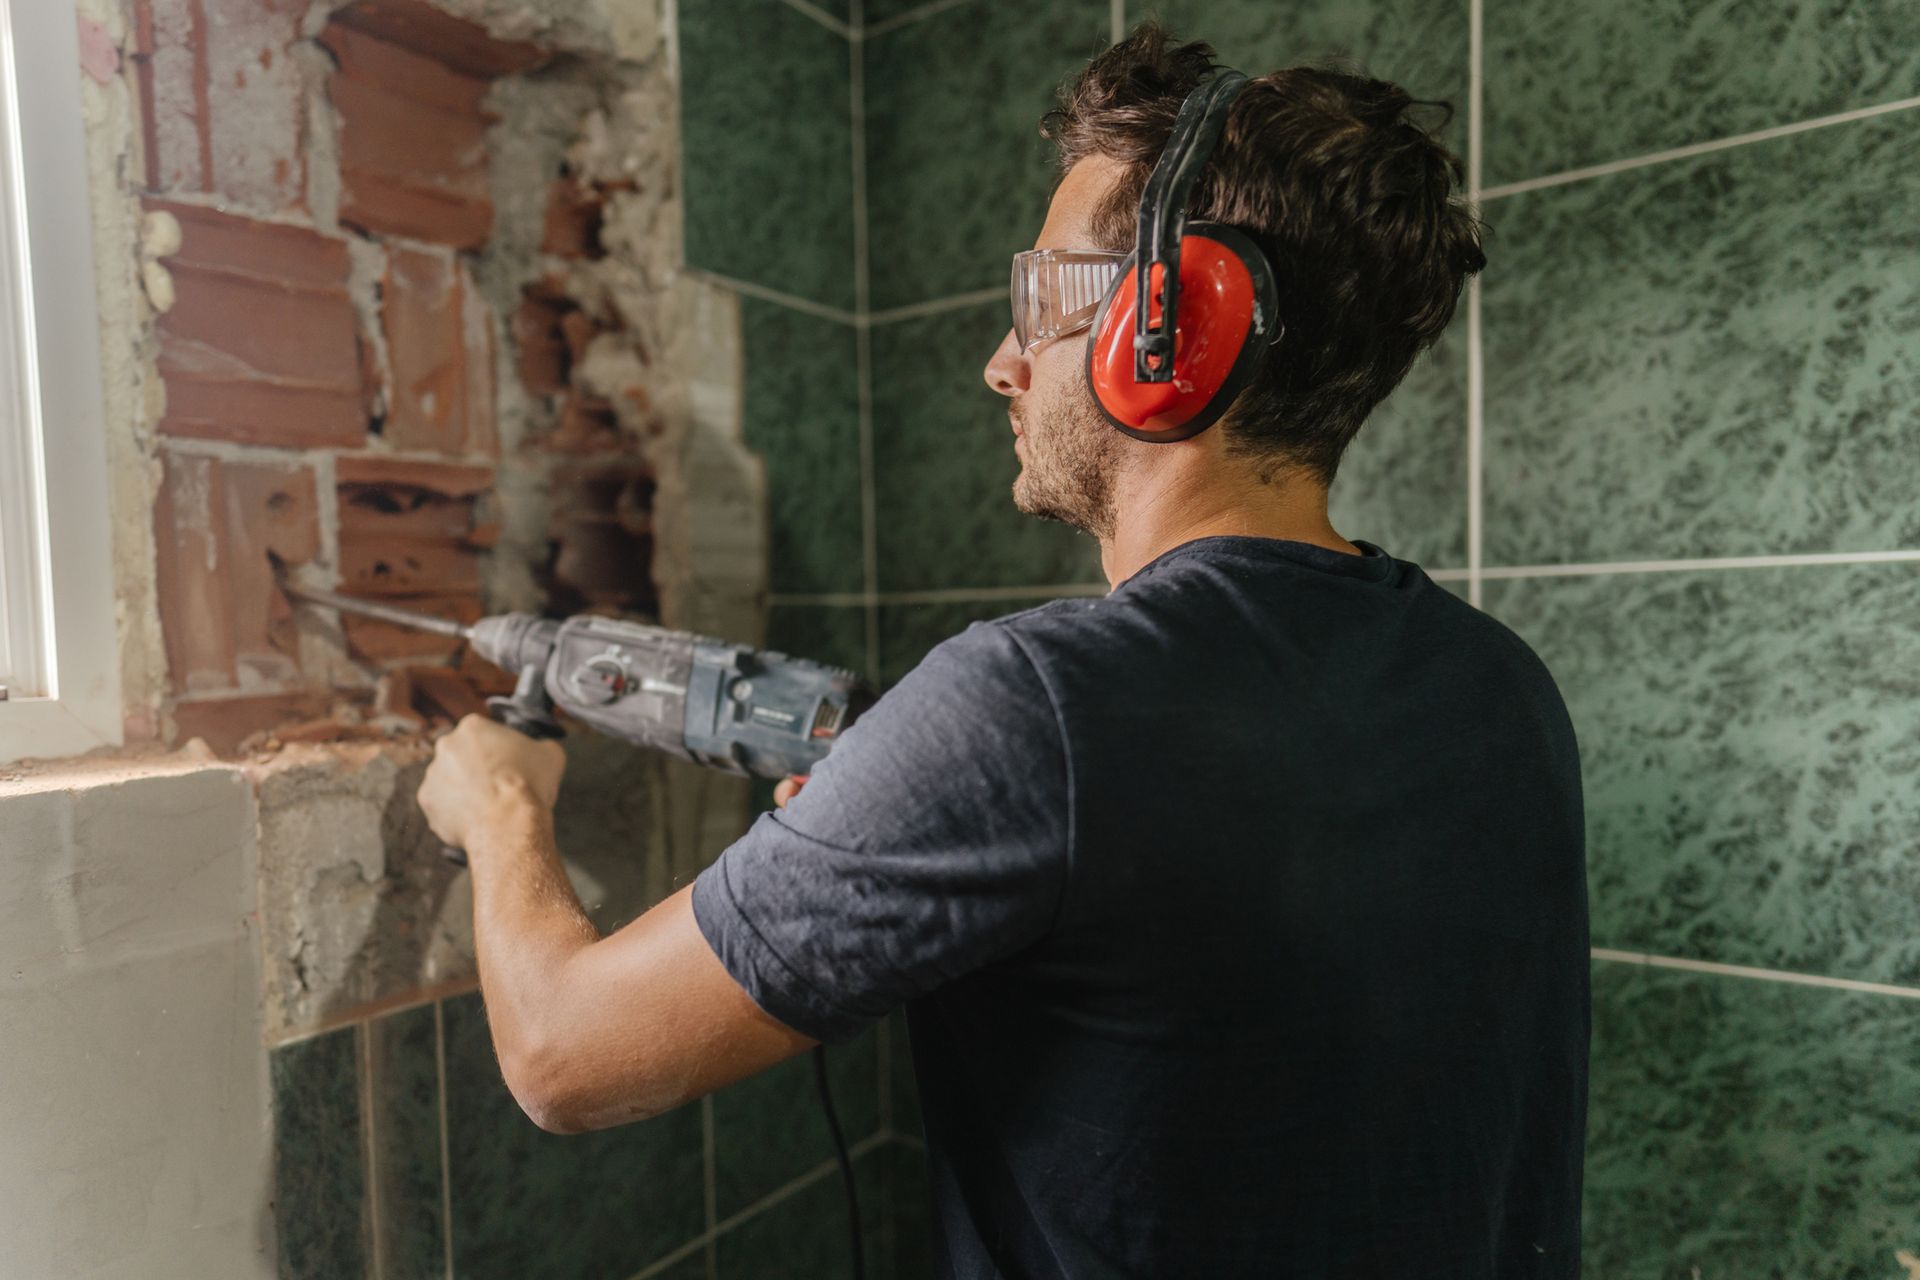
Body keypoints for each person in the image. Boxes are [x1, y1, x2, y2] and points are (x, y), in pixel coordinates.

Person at [418, 22, 1589, 1279]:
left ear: (1168, 333)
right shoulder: (1499, 680)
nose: (1003, 364)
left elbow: (564, 1058)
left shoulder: (1036, 705)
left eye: (1040, 301)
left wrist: (499, 810)